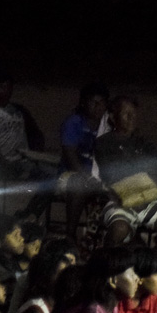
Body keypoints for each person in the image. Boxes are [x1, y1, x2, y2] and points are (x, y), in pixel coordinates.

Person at [94, 95, 157, 262]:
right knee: (119, 229)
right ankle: (105, 268)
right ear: (113, 117)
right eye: (126, 114)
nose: (132, 118)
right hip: (119, 199)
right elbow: (112, 175)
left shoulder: (142, 142)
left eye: (134, 114)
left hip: (147, 200)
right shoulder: (104, 143)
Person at [0, 71, 51, 218]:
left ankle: (30, 214)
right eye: (1, 87)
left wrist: (35, 154)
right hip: (3, 162)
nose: (5, 90)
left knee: (53, 176)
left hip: (25, 160)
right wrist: (3, 161)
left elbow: (36, 134)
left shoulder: (19, 111)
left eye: (8, 87)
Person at [59, 82, 110, 236]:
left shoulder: (108, 125)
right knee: (80, 185)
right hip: (71, 173)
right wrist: (89, 178)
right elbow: (71, 158)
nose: (98, 106)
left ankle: (99, 238)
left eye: (101, 103)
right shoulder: (73, 123)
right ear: (83, 103)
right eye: (93, 102)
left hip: (98, 174)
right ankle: (70, 234)